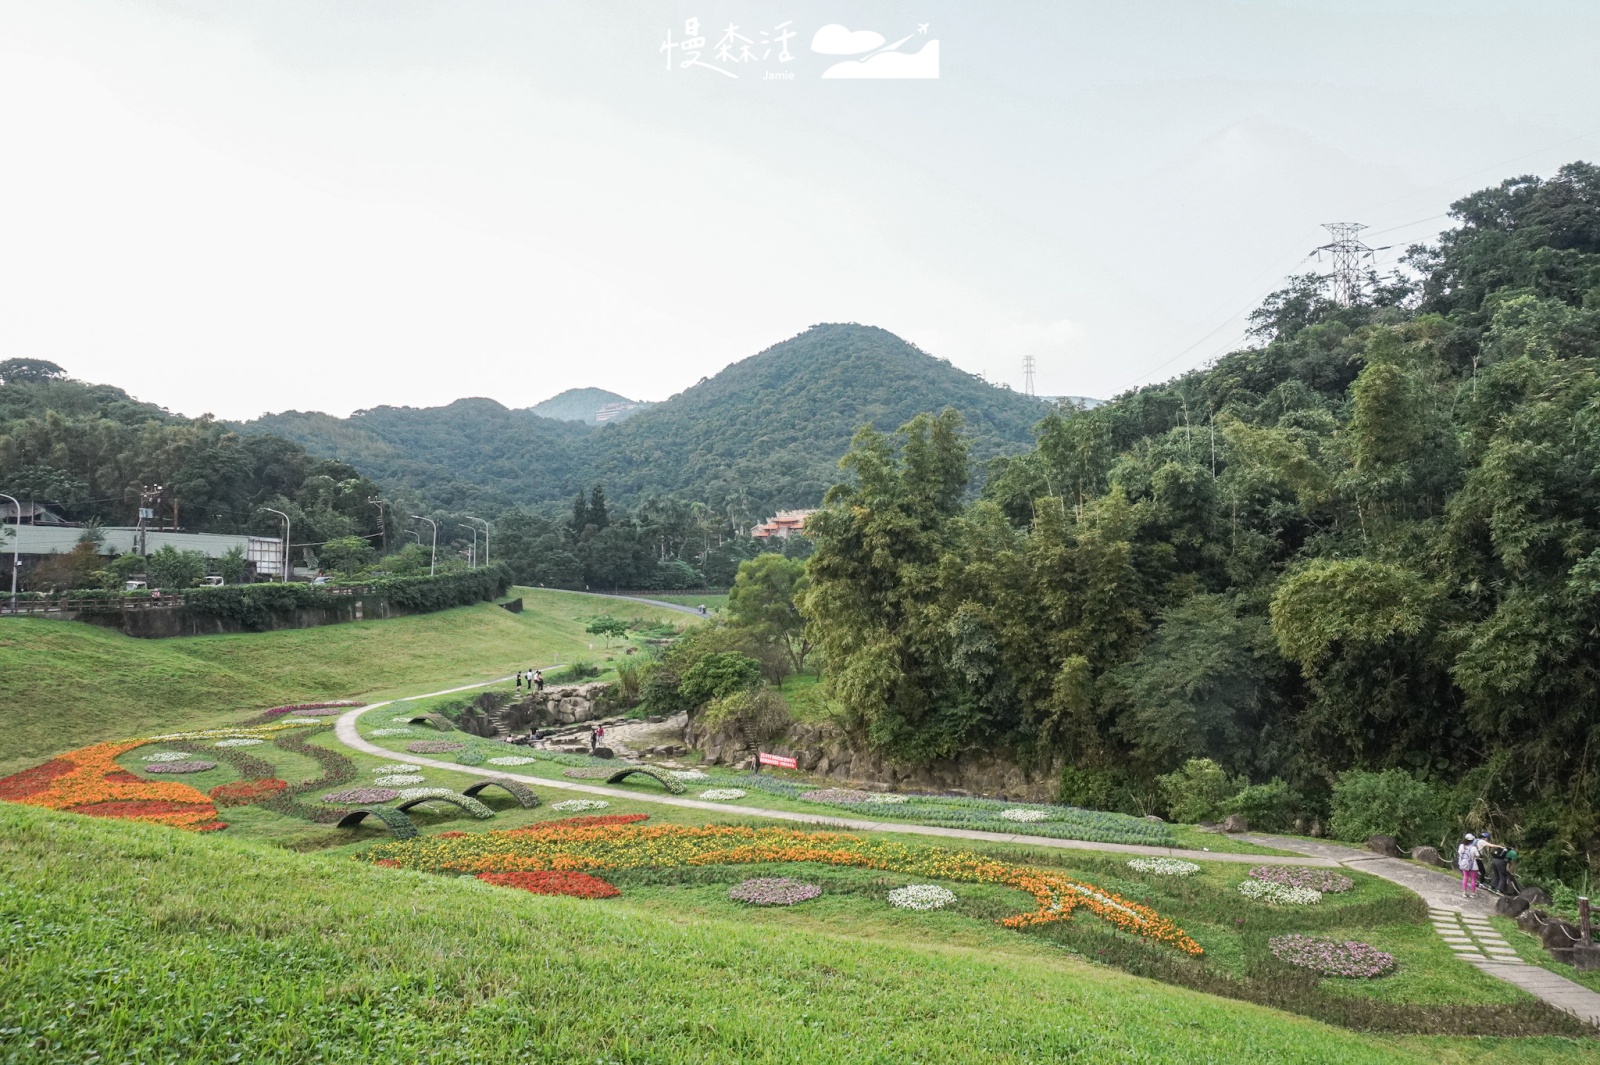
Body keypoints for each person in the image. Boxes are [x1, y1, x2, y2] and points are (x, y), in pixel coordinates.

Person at [1456, 833, 1481, 898]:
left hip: (1464, 865)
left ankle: (1464, 892)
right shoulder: (1474, 848)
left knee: (1465, 877)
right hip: (1473, 866)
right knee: (1473, 879)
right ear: (1472, 840)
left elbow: (1459, 853)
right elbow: (1478, 856)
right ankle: (1473, 893)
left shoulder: (1461, 846)